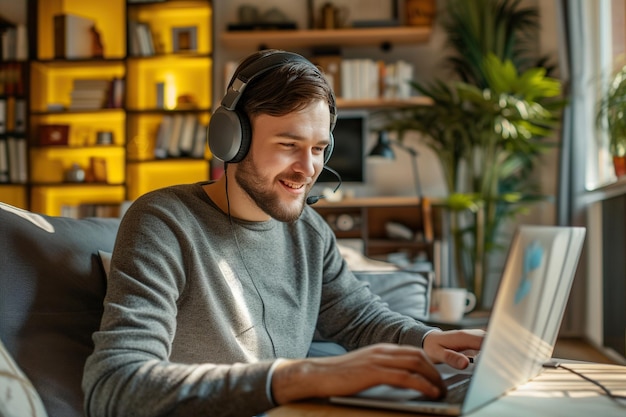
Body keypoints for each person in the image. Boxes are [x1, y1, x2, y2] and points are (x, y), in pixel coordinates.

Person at [82, 49, 484, 417]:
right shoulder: (164, 222)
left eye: (317, 149)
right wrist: (296, 377)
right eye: (289, 144)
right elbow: (115, 386)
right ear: (232, 139)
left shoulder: (309, 230)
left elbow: (358, 318)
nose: (308, 169)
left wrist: (430, 340)